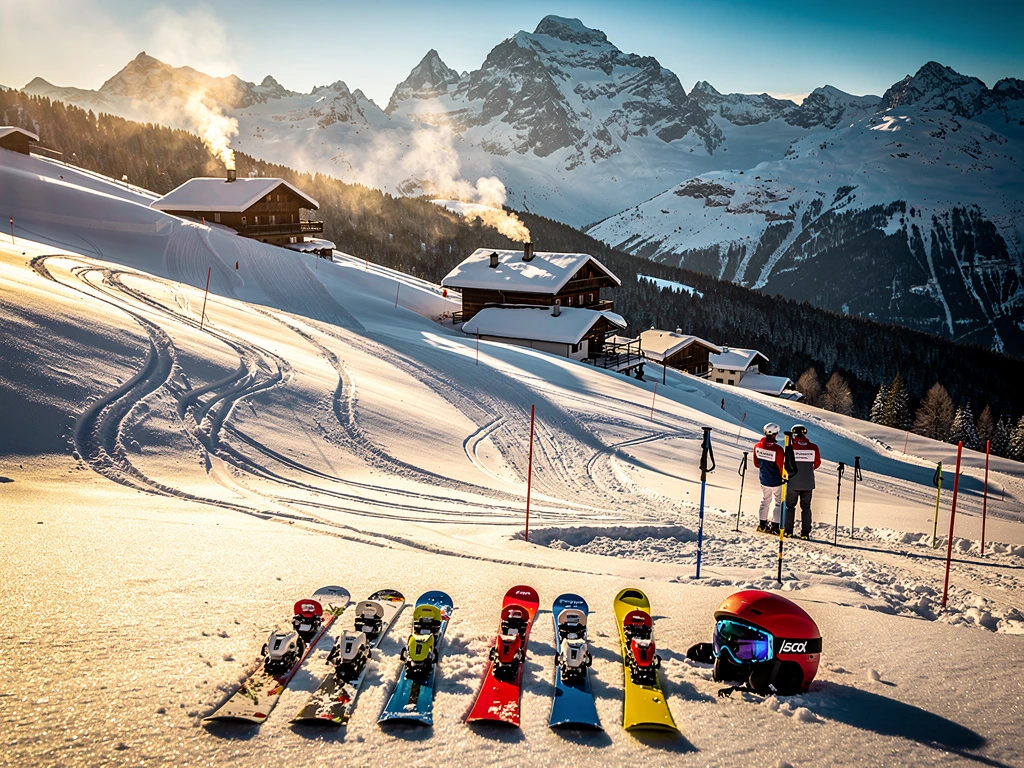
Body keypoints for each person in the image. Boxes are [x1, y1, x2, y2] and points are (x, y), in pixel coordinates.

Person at [785, 424, 821, 539]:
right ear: (805, 433)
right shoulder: (813, 447)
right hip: (808, 482)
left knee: (790, 507)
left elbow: (786, 464)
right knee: (806, 507)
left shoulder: (790, 446)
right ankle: (805, 532)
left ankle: (788, 531)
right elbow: (817, 463)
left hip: (793, 482)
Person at [752, 423, 785, 534]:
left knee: (765, 501)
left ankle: (762, 525)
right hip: (776, 480)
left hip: (764, 479)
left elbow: (756, 463)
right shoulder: (778, 450)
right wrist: (783, 477)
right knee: (778, 502)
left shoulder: (757, 446)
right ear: (775, 434)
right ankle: (775, 527)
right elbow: (781, 466)